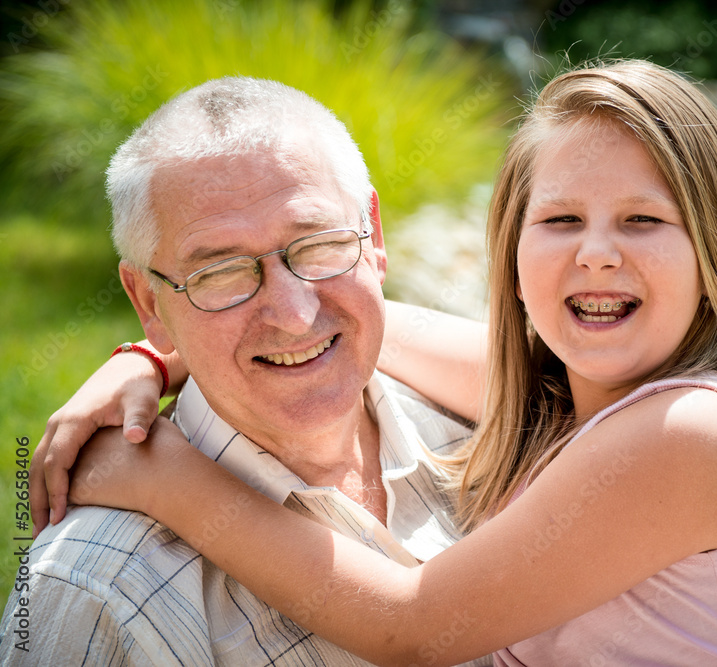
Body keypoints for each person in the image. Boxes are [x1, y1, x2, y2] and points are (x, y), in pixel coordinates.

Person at [14, 60, 717, 665]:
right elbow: (335, 311)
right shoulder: (560, 392)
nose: (598, 255)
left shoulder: (688, 432)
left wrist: (162, 476)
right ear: (515, 247)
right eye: (561, 220)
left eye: (644, 220)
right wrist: (157, 352)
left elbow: (413, 629)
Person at [0, 76, 491, 666]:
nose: (293, 314)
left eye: (315, 244)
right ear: (150, 304)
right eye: (222, 272)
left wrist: (157, 359)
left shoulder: (519, 431)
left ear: (373, 234)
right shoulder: (99, 590)